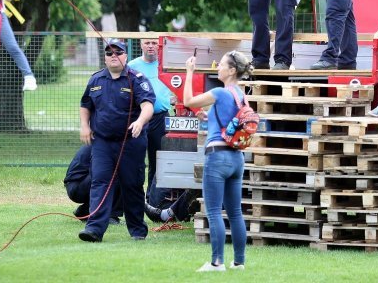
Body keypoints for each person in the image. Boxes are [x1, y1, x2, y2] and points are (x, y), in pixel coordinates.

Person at [77, 39, 154, 242]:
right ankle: (94, 229)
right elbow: (85, 105)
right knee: (99, 182)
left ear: (125, 56)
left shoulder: (136, 79)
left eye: (118, 52)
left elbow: (148, 105)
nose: (113, 56)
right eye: (109, 53)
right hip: (102, 142)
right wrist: (84, 126)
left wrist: (139, 122)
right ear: (105, 57)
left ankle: (138, 231)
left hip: (131, 142)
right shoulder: (95, 80)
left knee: (132, 184)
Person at [184, 50, 252, 272]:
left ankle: (217, 263)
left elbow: (187, 101)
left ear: (232, 71)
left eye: (221, 64)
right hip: (236, 157)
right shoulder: (240, 95)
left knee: (213, 211)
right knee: (235, 212)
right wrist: (208, 115)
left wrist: (189, 71)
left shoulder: (219, 92)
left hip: (217, 157)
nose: (217, 67)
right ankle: (239, 262)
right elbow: (227, 121)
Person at [127, 37, 175, 206]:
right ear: (140, 45)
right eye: (147, 43)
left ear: (159, 46)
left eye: (154, 43)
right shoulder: (132, 66)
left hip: (161, 118)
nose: (151, 46)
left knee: (158, 160)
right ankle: (134, 200)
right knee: (135, 161)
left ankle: (153, 200)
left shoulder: (166, 65)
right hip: (138, 119)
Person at [63, 144, 123, 224]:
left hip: (78, 184)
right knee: (118, 173)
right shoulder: (102, 144)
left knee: (118, 172)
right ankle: (111, 216)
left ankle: (85, 211)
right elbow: (99, 174)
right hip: (77, 186)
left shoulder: (104, 141)